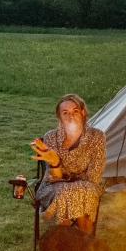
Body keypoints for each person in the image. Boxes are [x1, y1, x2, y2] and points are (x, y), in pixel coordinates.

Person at [31, 94, 106, 234]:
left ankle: (84, 244)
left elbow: (94, 176)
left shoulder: (97, 137)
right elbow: (55, 178)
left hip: (87, 185)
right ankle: (65, 242)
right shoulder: (51, 137)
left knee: (84, 192)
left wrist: (72, 185)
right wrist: (55, 163)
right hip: (53, 186)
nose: (70, 116)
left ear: (83, 113)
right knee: (63, 192)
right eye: (65, 113)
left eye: (75, 111)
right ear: (59, 117)